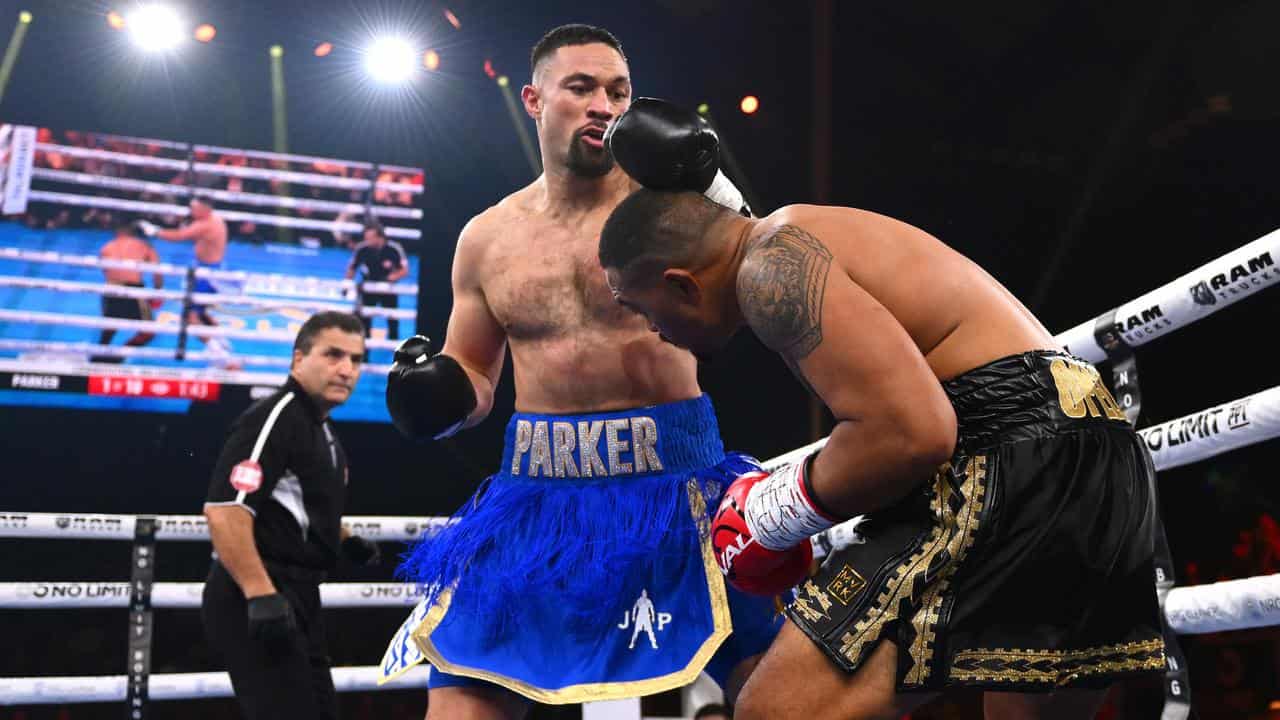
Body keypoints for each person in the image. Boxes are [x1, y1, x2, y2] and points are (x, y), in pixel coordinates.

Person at [597, 138, 1167, 719]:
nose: (652, 330)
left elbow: (912, 433)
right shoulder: (789, 237)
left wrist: (768, 509)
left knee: (776, 711)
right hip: (1098, 455)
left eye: (639, 308)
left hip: (1006, 462)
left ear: (681, 284)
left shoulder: (769, 269)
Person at [377, 24, 778, 718]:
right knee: (460, 700)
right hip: (539, 493)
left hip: (678, 483)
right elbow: (474, 373)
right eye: (582, 87)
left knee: (782, 693)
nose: (604, 104)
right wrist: (435, 393)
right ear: (534, 100)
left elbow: (770, 273)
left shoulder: (672, 209)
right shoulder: (487, 237)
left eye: (618, 91)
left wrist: (711, 179)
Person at [201, 311, 381, 720]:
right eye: (333, 355)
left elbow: (300, 507)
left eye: (355, 359)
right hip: (256, 588)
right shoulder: (273, 418)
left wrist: (344, 538)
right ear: (298, 359)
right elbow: (225, 511)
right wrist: (260, 594)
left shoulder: (323, 431)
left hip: (299, 593)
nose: (346, 369)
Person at [137, 195, 238, 362]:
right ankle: (221, 342)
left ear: (204, 209)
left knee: (189, 316)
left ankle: (217, 351)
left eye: (194, 208)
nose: (190, 211)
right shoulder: (216, 219)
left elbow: (179, 236)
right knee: (202, 312)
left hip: (205, 275)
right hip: (212, 271)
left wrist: (155, 231)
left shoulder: (205, 224)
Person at [95, 220, 163, 358]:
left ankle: (97, 358)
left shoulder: (106, 247)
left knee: (110, 328)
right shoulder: (144, 246)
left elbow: (106, 272)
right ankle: (119, 357)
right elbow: (157, 273)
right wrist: (157, 292)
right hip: (133, 291)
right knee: (148, 331)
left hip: (111, 289)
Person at [345, 222, 408, 340]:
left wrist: (389, 279)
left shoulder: (394, 249)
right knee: (363, 320)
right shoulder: (362, 249)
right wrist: (347, 284)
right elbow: (352, 268)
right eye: (366, 237)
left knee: (392, 320)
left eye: (370, 237)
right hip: (368, 288)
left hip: (388, 289)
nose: (367, 240)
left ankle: (396, 350)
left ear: (380, 237)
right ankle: (364, 352)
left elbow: (404, 270)